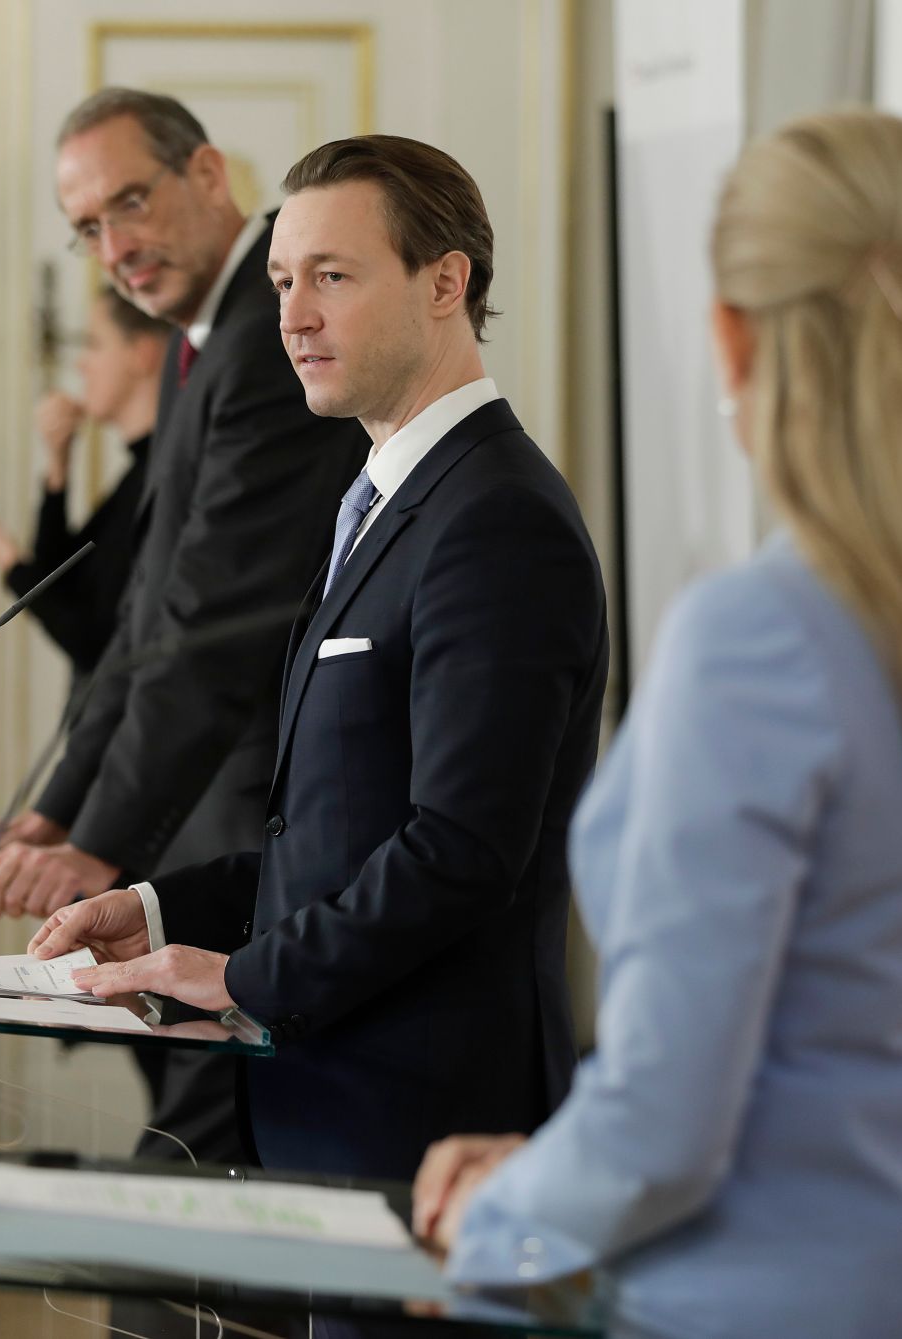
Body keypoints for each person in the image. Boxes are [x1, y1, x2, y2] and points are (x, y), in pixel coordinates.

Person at [410, 109, 902, 1339]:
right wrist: (546, 1168)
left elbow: (671, 1126)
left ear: (730, 337)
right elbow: (853, 1044)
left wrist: (506, 1214)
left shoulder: (756, 637)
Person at [30, 134, 610, 1184]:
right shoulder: (384, 503)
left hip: (426, 1123)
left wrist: (244, 972)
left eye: (331, 278)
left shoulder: (494, 520)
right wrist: (159, 908)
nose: (292, 315)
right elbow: (337, 832)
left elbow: (461, 850)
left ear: (445, 283)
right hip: (330, 1098)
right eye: (282, 280)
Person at [0, 90, 366, 1169]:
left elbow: (206, 629)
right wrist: (56, 815)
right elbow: (142, 619)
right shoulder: (204, 342)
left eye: (131, 202)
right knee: (194, 1161)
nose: (116, 246)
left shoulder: (256, 341)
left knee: (197, 1171)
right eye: (90, 228)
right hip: (190, 826)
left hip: (243, 829)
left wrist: (94, 838)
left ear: (206, 174)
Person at [0, 289, 167, 676]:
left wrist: (6, 556)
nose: (80, 364)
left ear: (142, 353)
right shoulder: (140, 471)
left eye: (93, 344)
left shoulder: (158, 478)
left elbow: (91, 640)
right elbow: (64, 577)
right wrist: (59, 465)